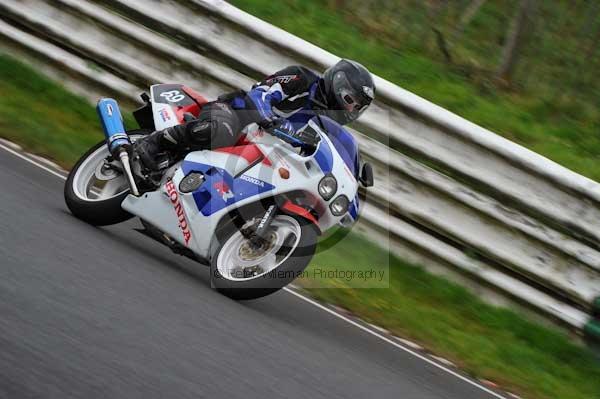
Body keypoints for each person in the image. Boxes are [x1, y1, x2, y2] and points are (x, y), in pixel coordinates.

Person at [132, 59, 376, 176]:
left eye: (358, 107)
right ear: (338, 83)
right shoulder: (302, 79)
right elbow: (262, 92)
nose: (352, 109)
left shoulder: (329, 125)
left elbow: (331, 155)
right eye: (350, 100)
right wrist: (268, 116)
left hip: (264, 153)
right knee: (221, 131)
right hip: (238, 115)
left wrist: (354, 172)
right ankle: (153, 142)